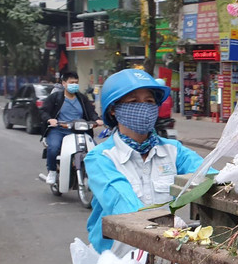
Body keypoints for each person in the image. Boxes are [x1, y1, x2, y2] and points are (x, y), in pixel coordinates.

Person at [85, 69, 207, 254]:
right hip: (116, 259)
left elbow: (208, 175)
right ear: (113, 110)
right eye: (133, 102)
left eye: (149, 101)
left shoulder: (174, 150)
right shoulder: (100, 158)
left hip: (164, 248)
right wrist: (165, 224)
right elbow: (122, 202)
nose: (143, 107)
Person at [41, 71, 102, 184]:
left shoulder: (82, 98)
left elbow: (91, 111)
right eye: (71, 82)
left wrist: (97, 119)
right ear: (64, 83)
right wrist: (50, 119)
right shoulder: (56, 97)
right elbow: (44, 112)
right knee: (53, 148)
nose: (74, 85)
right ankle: (52, 171)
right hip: (59, 130)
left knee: (95, 151)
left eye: (76, 82)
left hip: (79, 131)